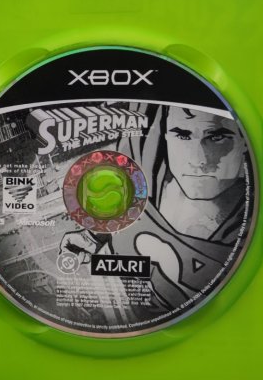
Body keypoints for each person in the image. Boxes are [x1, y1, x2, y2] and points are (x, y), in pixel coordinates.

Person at [59, 105, 251, 316]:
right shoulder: (144, 161)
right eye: (182, 135)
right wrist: (97, 235)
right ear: (165, 134)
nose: (199, 160)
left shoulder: (250, 225)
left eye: (217, 137)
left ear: (244, 141)